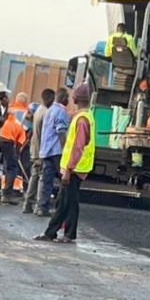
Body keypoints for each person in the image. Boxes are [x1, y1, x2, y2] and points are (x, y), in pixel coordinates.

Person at [35, 83, 95, 243]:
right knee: (71, 202)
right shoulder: (86, 116)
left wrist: (68, 169)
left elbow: (77, 147)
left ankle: (51, 232)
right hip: (79, 167)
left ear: (76, 98)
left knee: (63, 202)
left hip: (74, 168)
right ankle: (69, 234)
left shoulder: (81, 120)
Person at [37, 88, 70, 216]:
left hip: (46, 150)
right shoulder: (61, 111)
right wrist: (65, 149)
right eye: (67, 98)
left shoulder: (49, 110)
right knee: (64, 179)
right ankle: (61, 207)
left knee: (46, 180)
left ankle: (42, 207)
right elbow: (61, 131)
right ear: (63, 98)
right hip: (56, 151)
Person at [23, 89, 54, 214]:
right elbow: (46, 135)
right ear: (51, 99)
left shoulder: (39, 110)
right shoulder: (46, 113)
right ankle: (39, 206)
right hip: (42, 150)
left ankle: (28, 204)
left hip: (35, 149)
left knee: (34, 176)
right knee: (42, 177)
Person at [0, 93, 29, 204]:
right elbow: (22, 139)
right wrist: (16, 154)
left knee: (1, 166)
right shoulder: (26, 113)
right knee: (12, 168)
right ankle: (7, 194)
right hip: (9, 142)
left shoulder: (9, 110)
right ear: (25, 102)